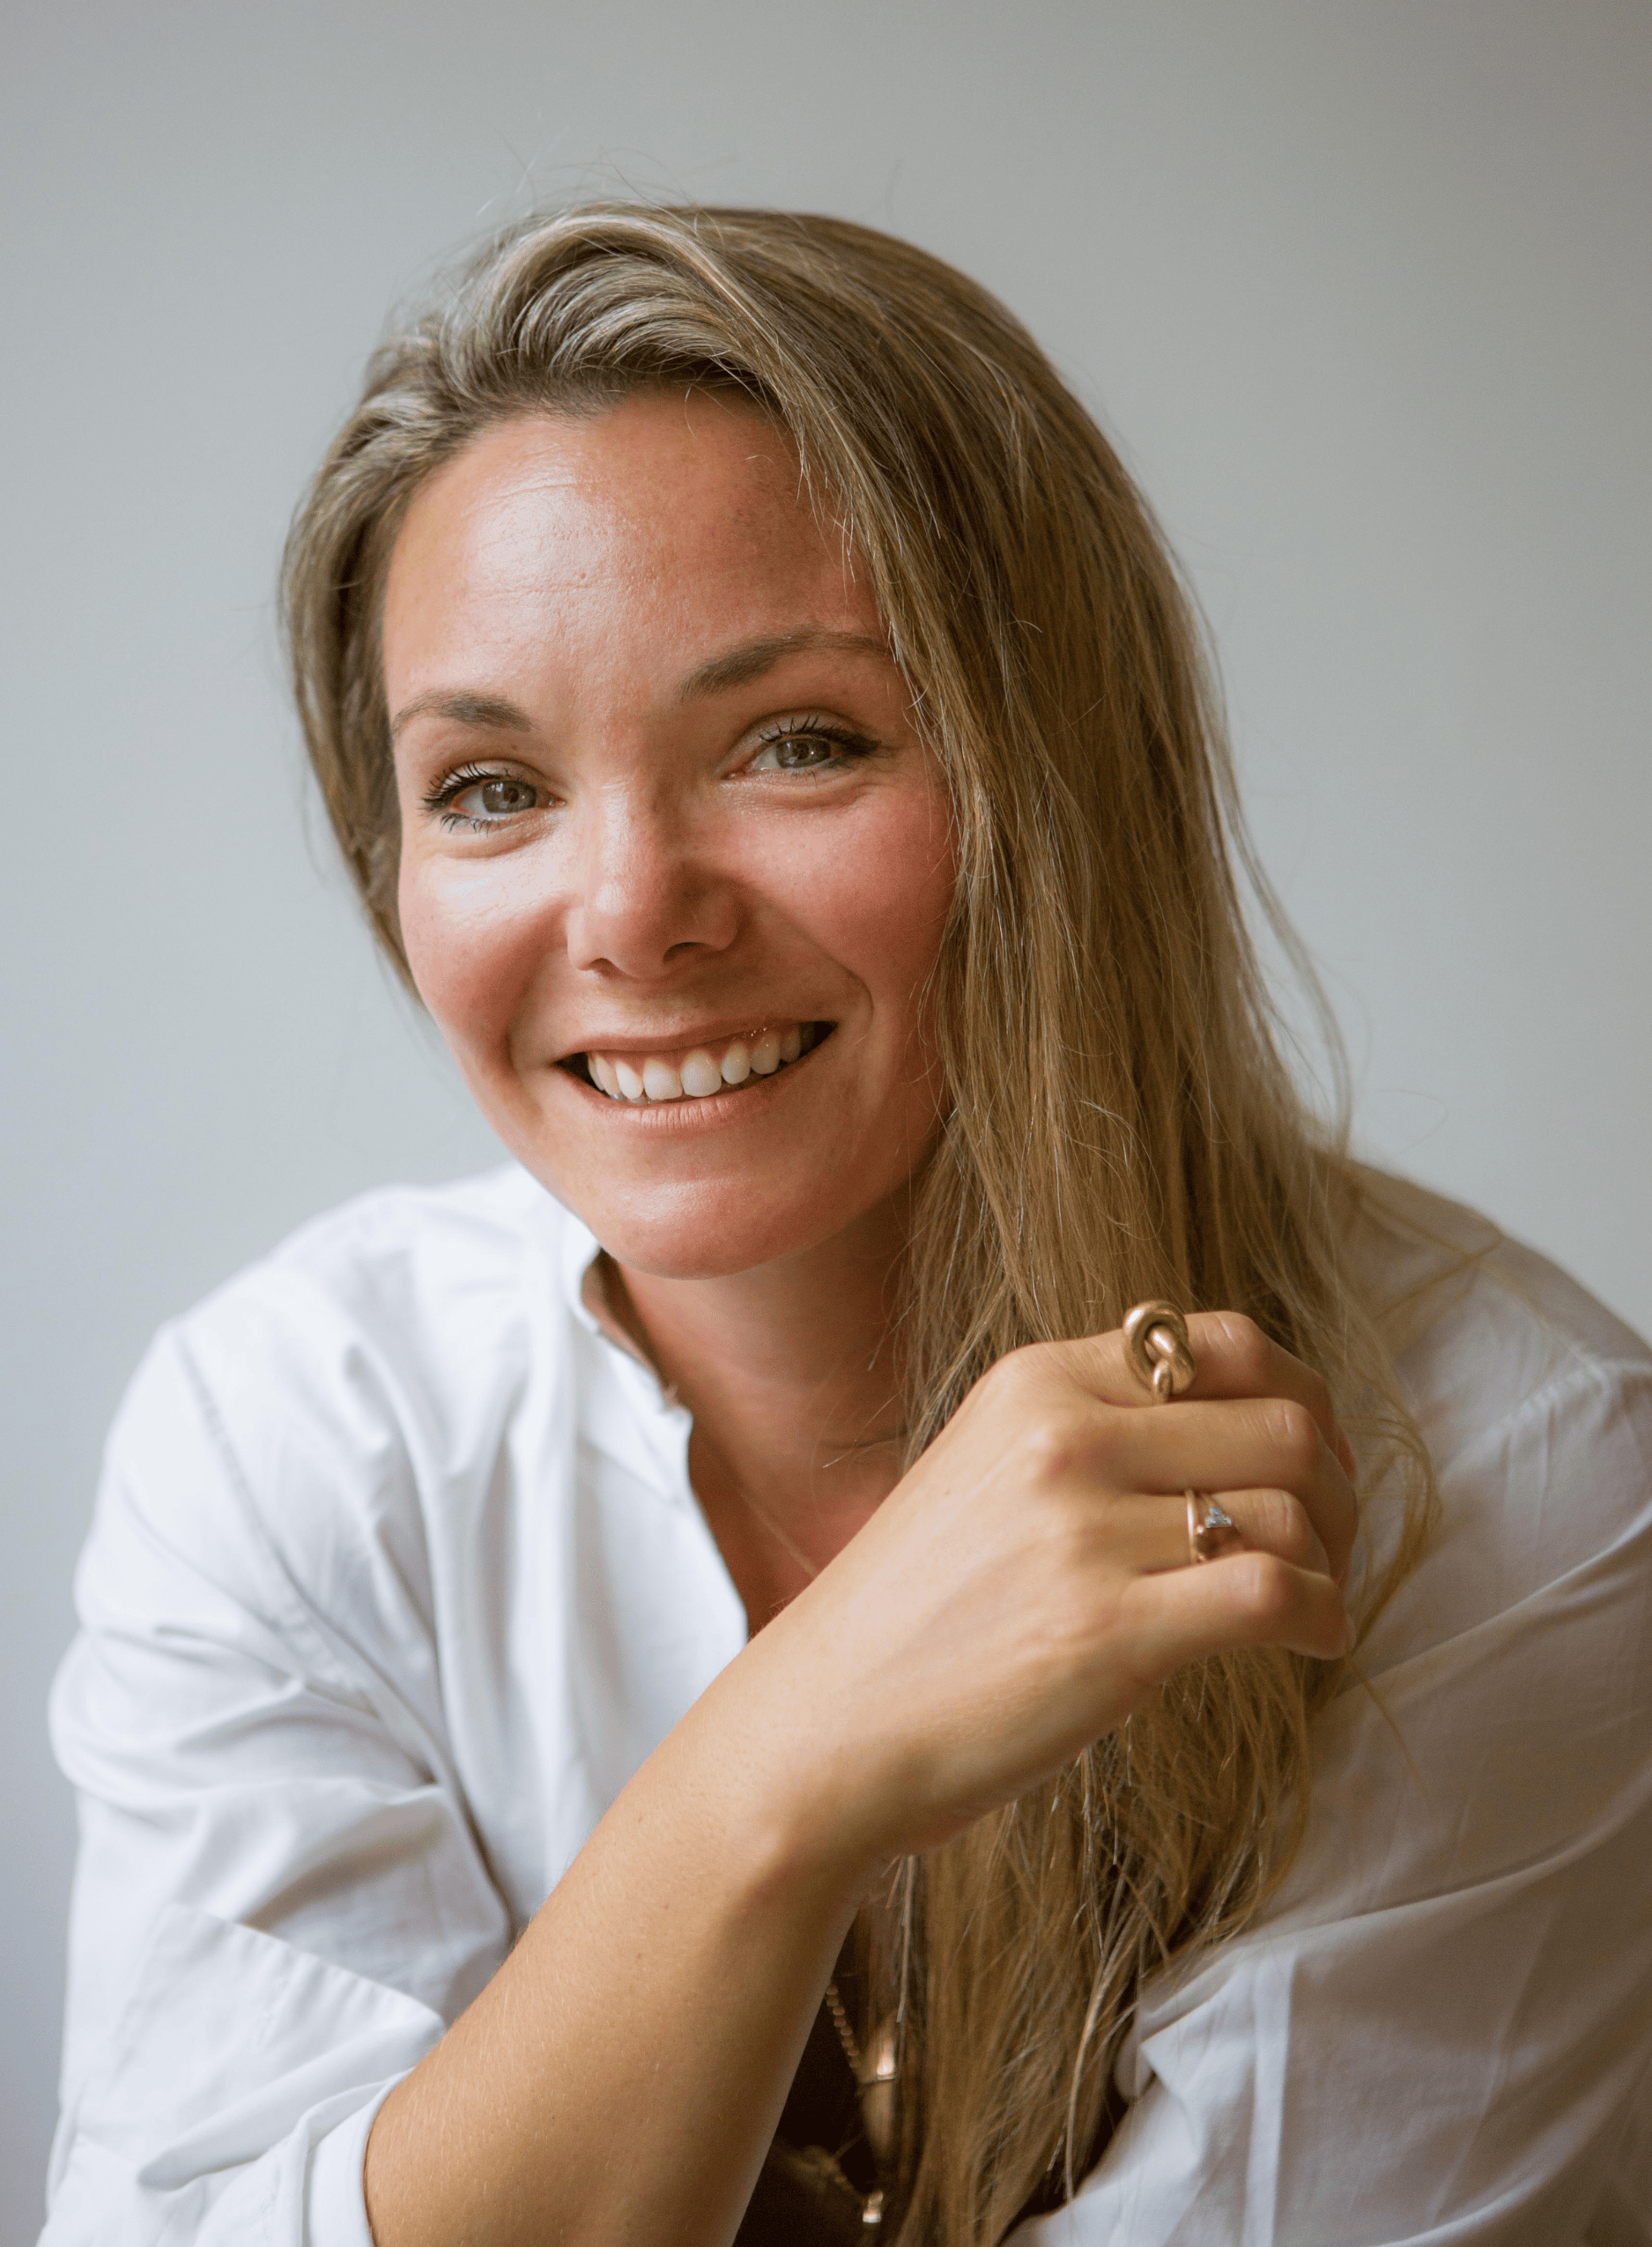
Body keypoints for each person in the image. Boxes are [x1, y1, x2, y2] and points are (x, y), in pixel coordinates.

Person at [41, 203, 1652, 2247]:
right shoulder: (294, 1432)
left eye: (797, 742)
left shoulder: (1524, 1481)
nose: (628, 913)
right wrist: (773, 1782)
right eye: (485, 789)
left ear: (1055, 786)